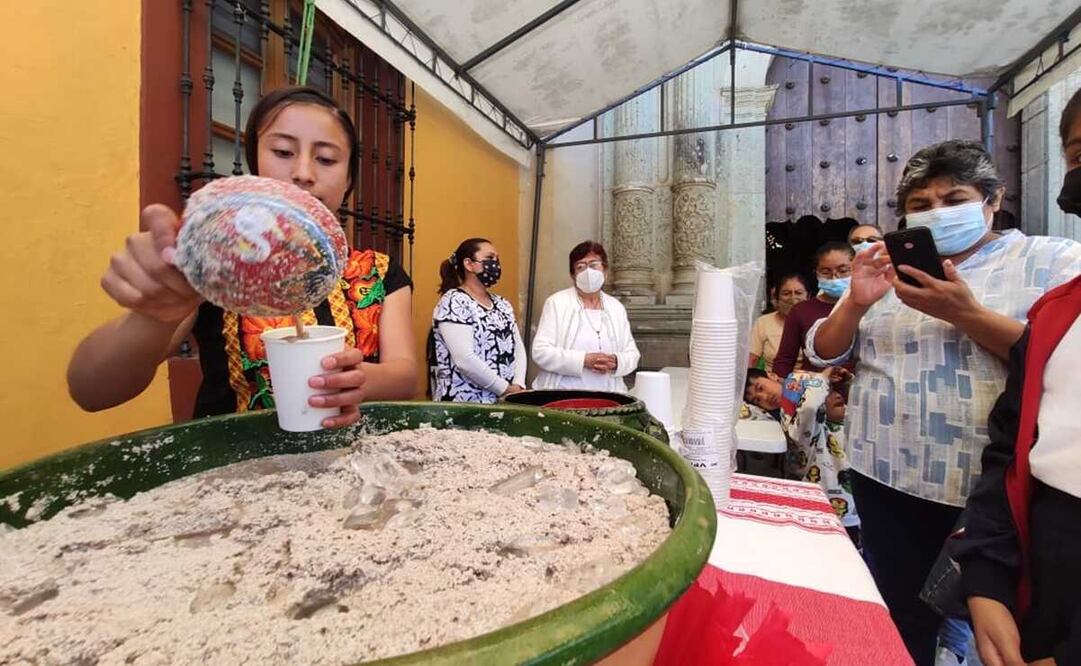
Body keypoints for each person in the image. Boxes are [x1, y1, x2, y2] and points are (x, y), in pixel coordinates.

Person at [805, 139, 1081, 665]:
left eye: (953, 199)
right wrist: (857, 302)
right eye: (921, 204)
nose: (936, 212)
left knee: (991, 632)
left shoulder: (1051, 260)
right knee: (898, 612)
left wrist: (966, 314)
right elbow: (822, 350)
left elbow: (1059, 358)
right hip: (885, 473)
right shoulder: (889, 268)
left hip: (987, 490)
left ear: (993, 200)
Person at [67, 87, 417, 428]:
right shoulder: (216, 268)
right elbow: (91, 391)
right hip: (231, 462)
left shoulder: (380, 272)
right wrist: (155, 313)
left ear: (349, 179)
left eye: (326, 159)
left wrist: (358, 380)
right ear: (256, 164)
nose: (303, 173)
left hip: (354, 459)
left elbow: (404, 376)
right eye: (283, 151)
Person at [951, 87, 1081, 666]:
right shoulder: (1057, 314)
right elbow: (1010, 449)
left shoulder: (1050, 260)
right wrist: (986, 578)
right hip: (1043, 567)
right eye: (1079, 154)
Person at [744, 366, 859, 537]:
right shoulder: (787, 417)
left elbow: (813, 403)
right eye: (758, 400)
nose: (765, 397)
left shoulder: (797, 385)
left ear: (772, 376)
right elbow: (809, 409)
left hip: (855, 497)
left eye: (761, 388)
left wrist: (843, 382)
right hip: (832, 506)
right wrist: (823, 377)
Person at [531, 241, 640, 391]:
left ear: (605, 271)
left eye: (594, 265)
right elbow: (540, 352)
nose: (588, 271)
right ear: (573, 275)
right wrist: (583, 360)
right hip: (562, 393)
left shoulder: (616, 307)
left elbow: (632, 354)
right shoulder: (557, 303)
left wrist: (616, 361)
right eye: (580, 267)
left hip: (608, 395)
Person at [432, 238, 526, 403]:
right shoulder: (454, 301)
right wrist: (504, 389)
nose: (495, 264)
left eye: (497, 259)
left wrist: (518, 385)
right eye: (489, 258)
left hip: (505, 402)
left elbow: (518, 348)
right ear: (468, 264)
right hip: (465, 404)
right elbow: (464, 358)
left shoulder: (502, 304)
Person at [772, 242, 855, 379]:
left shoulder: (867, 307)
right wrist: (779, 385)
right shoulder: (800, 311)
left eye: (843, 270)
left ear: (856, 269)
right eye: (826, 272)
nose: (834, 277)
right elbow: (785, 359)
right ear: (816, 273)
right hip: (813, 388)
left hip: (861, 386)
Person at [749, 272, 809, 375]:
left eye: (798, 293)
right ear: (777, 298)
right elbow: (752, 360)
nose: (793, 298)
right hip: (774, 380)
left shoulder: (816, 321)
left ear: (808, 296)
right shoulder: (764, 322)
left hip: (811, 380)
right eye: (786, 293)